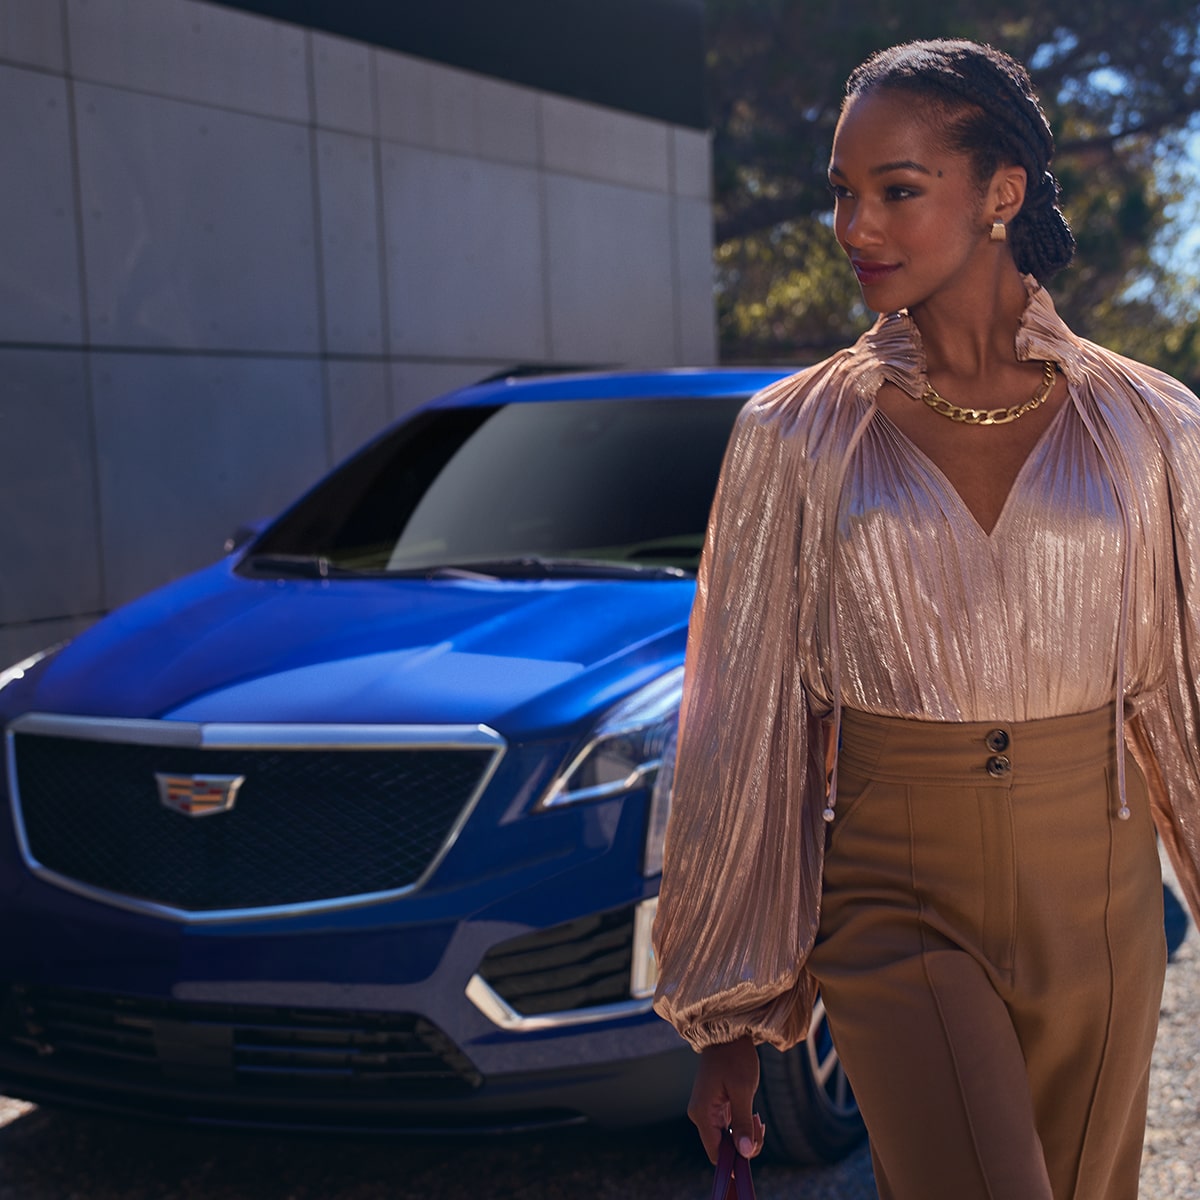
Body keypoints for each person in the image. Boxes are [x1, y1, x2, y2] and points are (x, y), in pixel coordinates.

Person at [651, 37, 1200, 1200]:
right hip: (894, 889)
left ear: (1001, 193)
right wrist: (726, 1012)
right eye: (843, 192)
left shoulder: (1151, 427)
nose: (855, 226)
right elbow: (738, 724)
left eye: (897, 191)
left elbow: (1189, 683)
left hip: (1098, 894)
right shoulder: (794, 436)